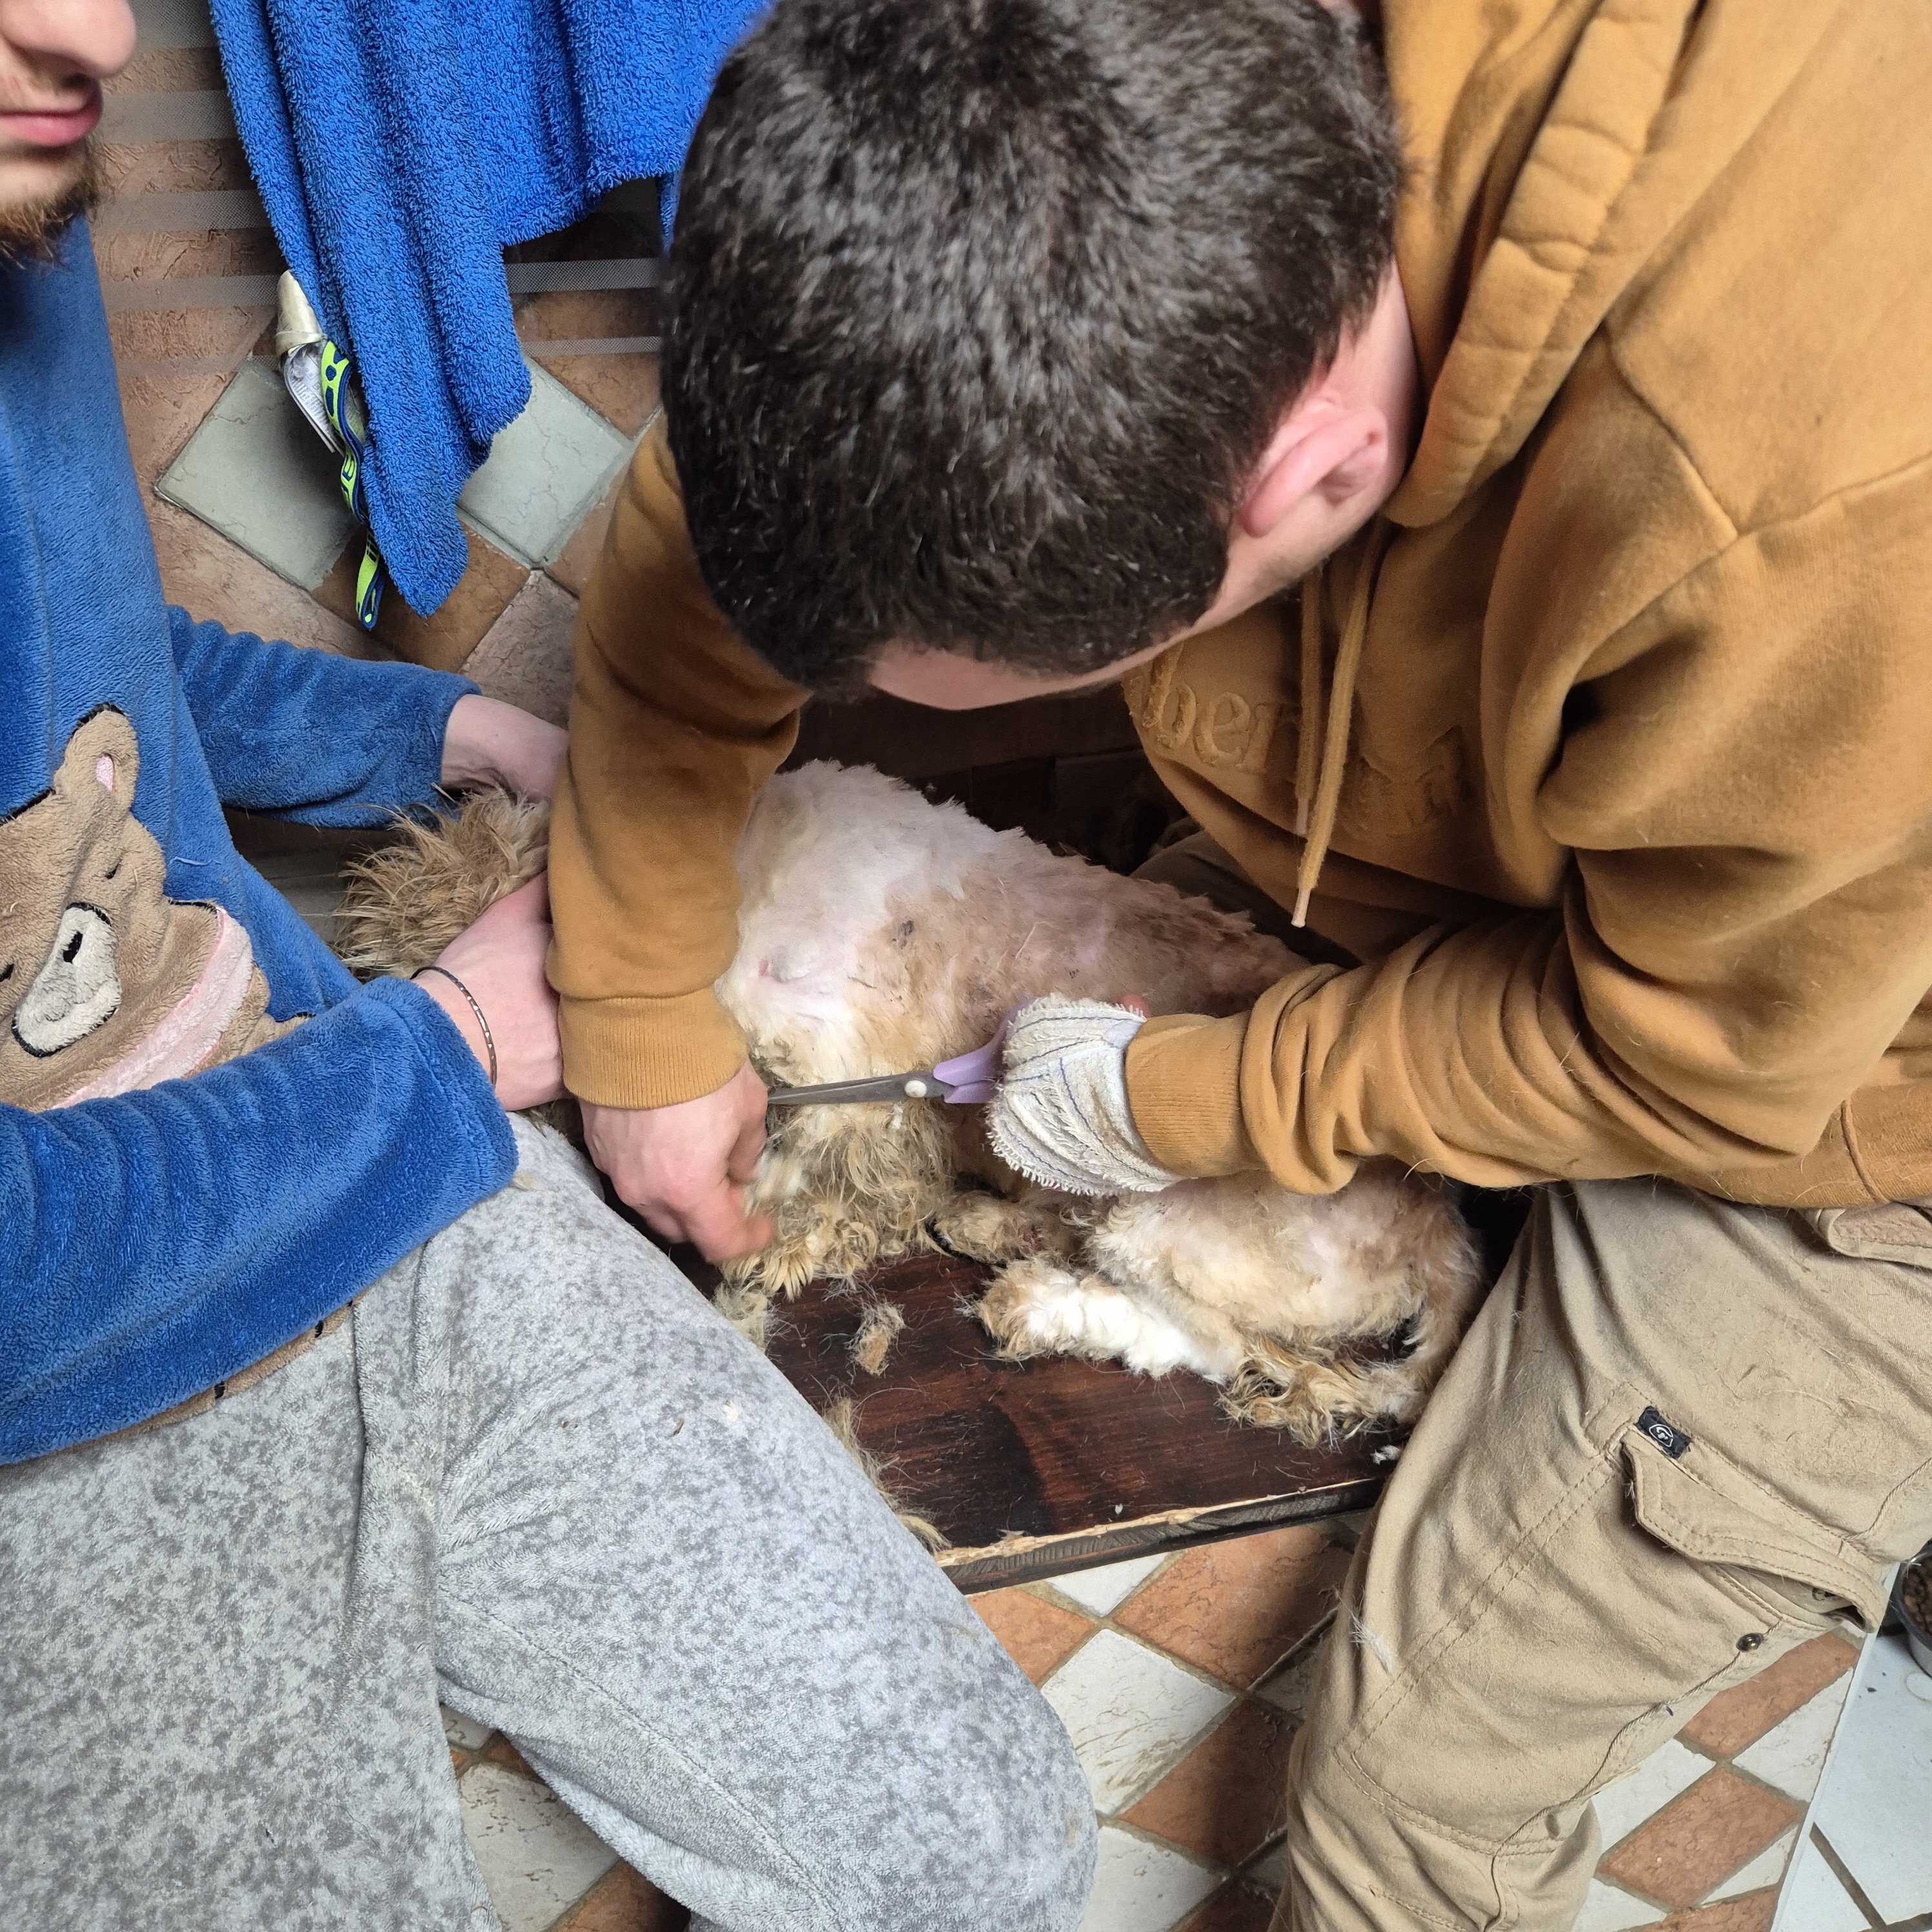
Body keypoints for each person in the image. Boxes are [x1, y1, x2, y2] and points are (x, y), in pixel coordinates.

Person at [544, 1, 1932, 1926]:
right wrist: (631, 1011)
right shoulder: (1081, 108)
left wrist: (1184, 1100)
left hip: (1821, 1083)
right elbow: (737, 539)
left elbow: (1692, 1054)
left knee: (1406, 1818)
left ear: (1305, 477)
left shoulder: (1815, 496)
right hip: (1488, 838)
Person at [0, 2, 1098, 1927]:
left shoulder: (19, 198)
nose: (94, 27)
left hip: (332, 1124)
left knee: (989, 1857)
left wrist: (437, 736)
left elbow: (83, 666)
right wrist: (442, 1050)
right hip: (67, 1382)